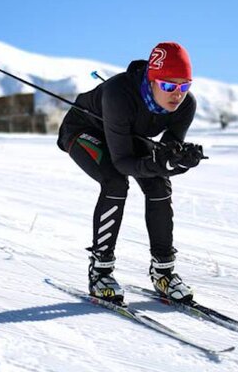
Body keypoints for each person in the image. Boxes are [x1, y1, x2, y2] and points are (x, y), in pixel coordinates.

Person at [57, 42, 204, 304]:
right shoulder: (118, 93)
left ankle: (164, 272)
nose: (177, 94)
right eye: (169, 86)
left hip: (126, 134)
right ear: (152, 79)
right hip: (84, 129)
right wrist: (162, 164)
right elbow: (123, 161)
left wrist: (176, 160)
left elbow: (166, 151)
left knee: (159, 185)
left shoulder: (185, 106)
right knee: (115, 182)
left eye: (184, 85)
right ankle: (100, 270)